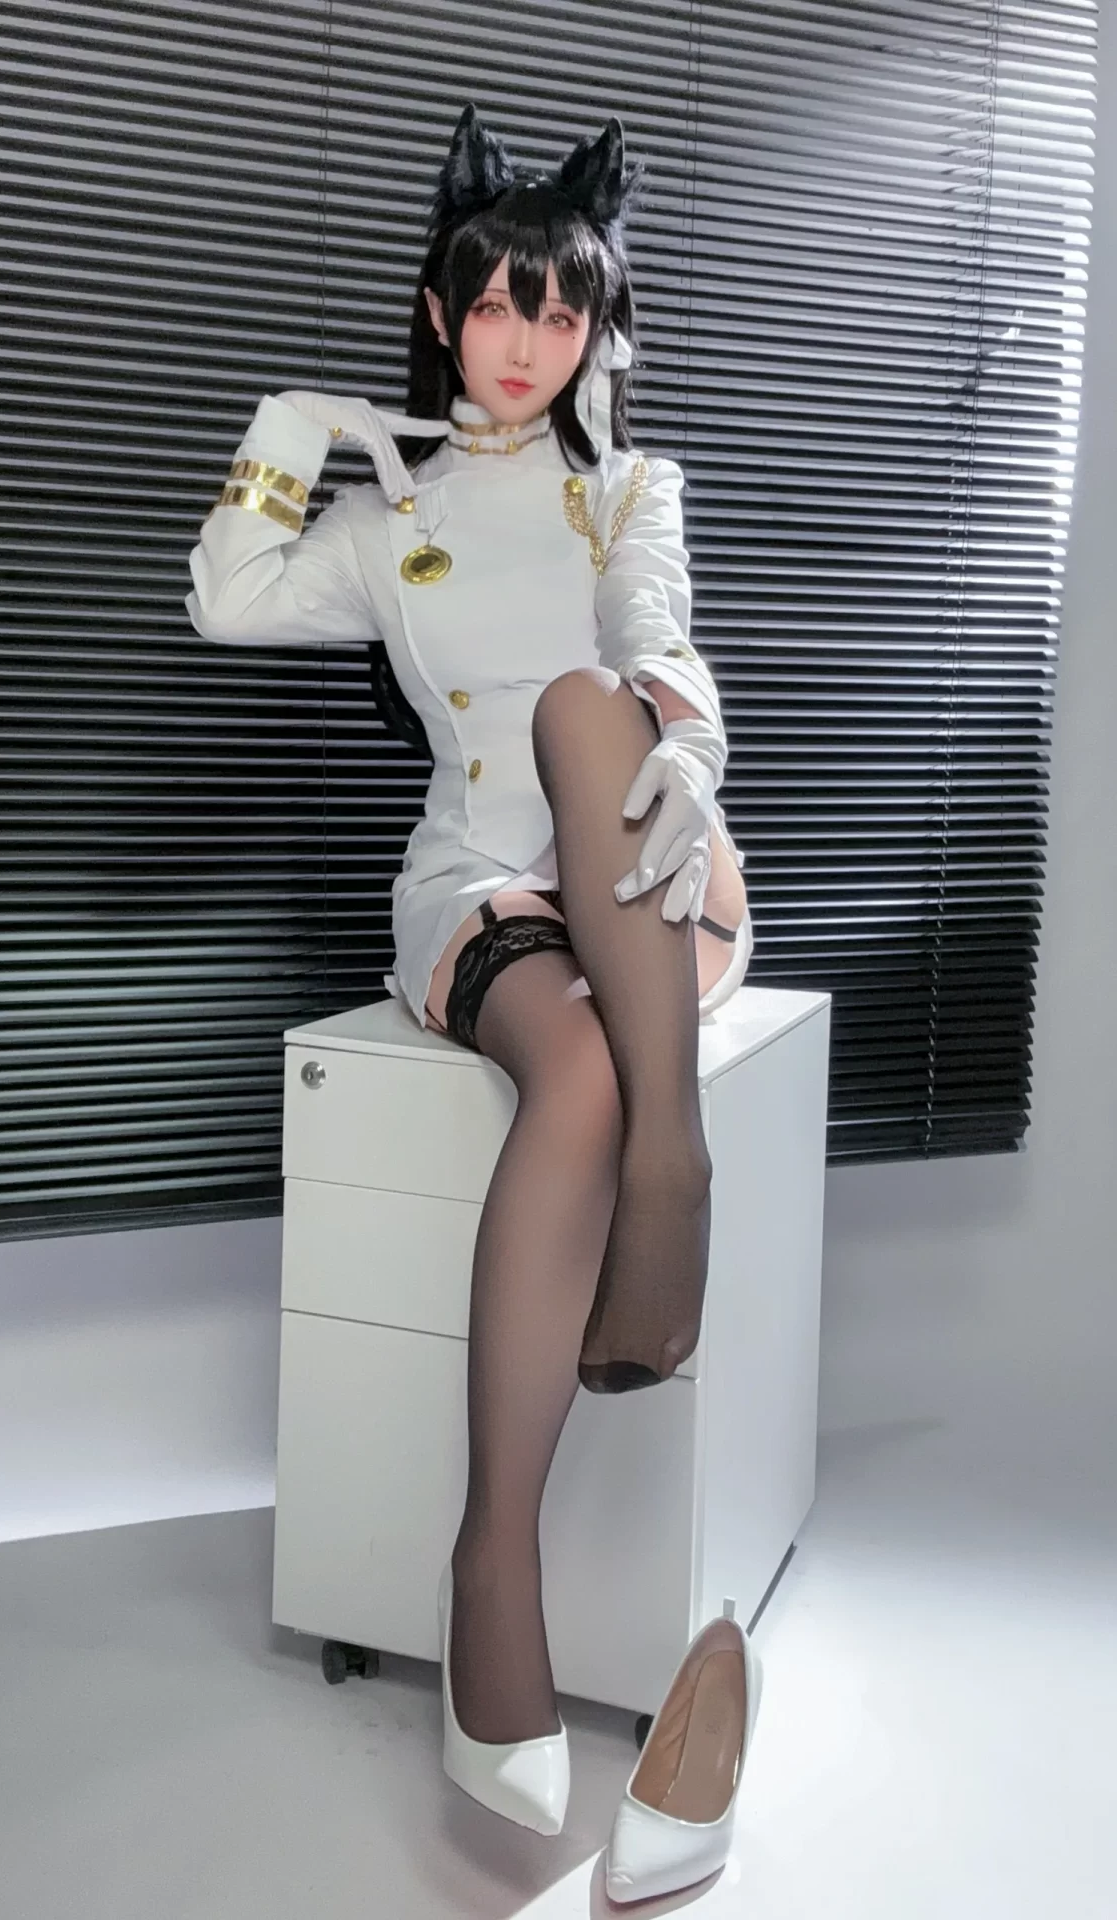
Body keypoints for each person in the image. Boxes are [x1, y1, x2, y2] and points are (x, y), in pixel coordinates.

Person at [186, 104, 756, 1855]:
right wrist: (293, 434)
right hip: (483, 889)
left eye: (560, 313)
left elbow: (650, 631)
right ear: (444, 313)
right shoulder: (395, 516)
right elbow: (228, 600)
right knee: (572, 1072)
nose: (523, 341)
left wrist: (689, 742)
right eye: (496, 305)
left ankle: (667, 1158)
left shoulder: (628, 487)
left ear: (596, 332)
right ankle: (490, 1558)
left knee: (593, 706)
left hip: (643, 856)